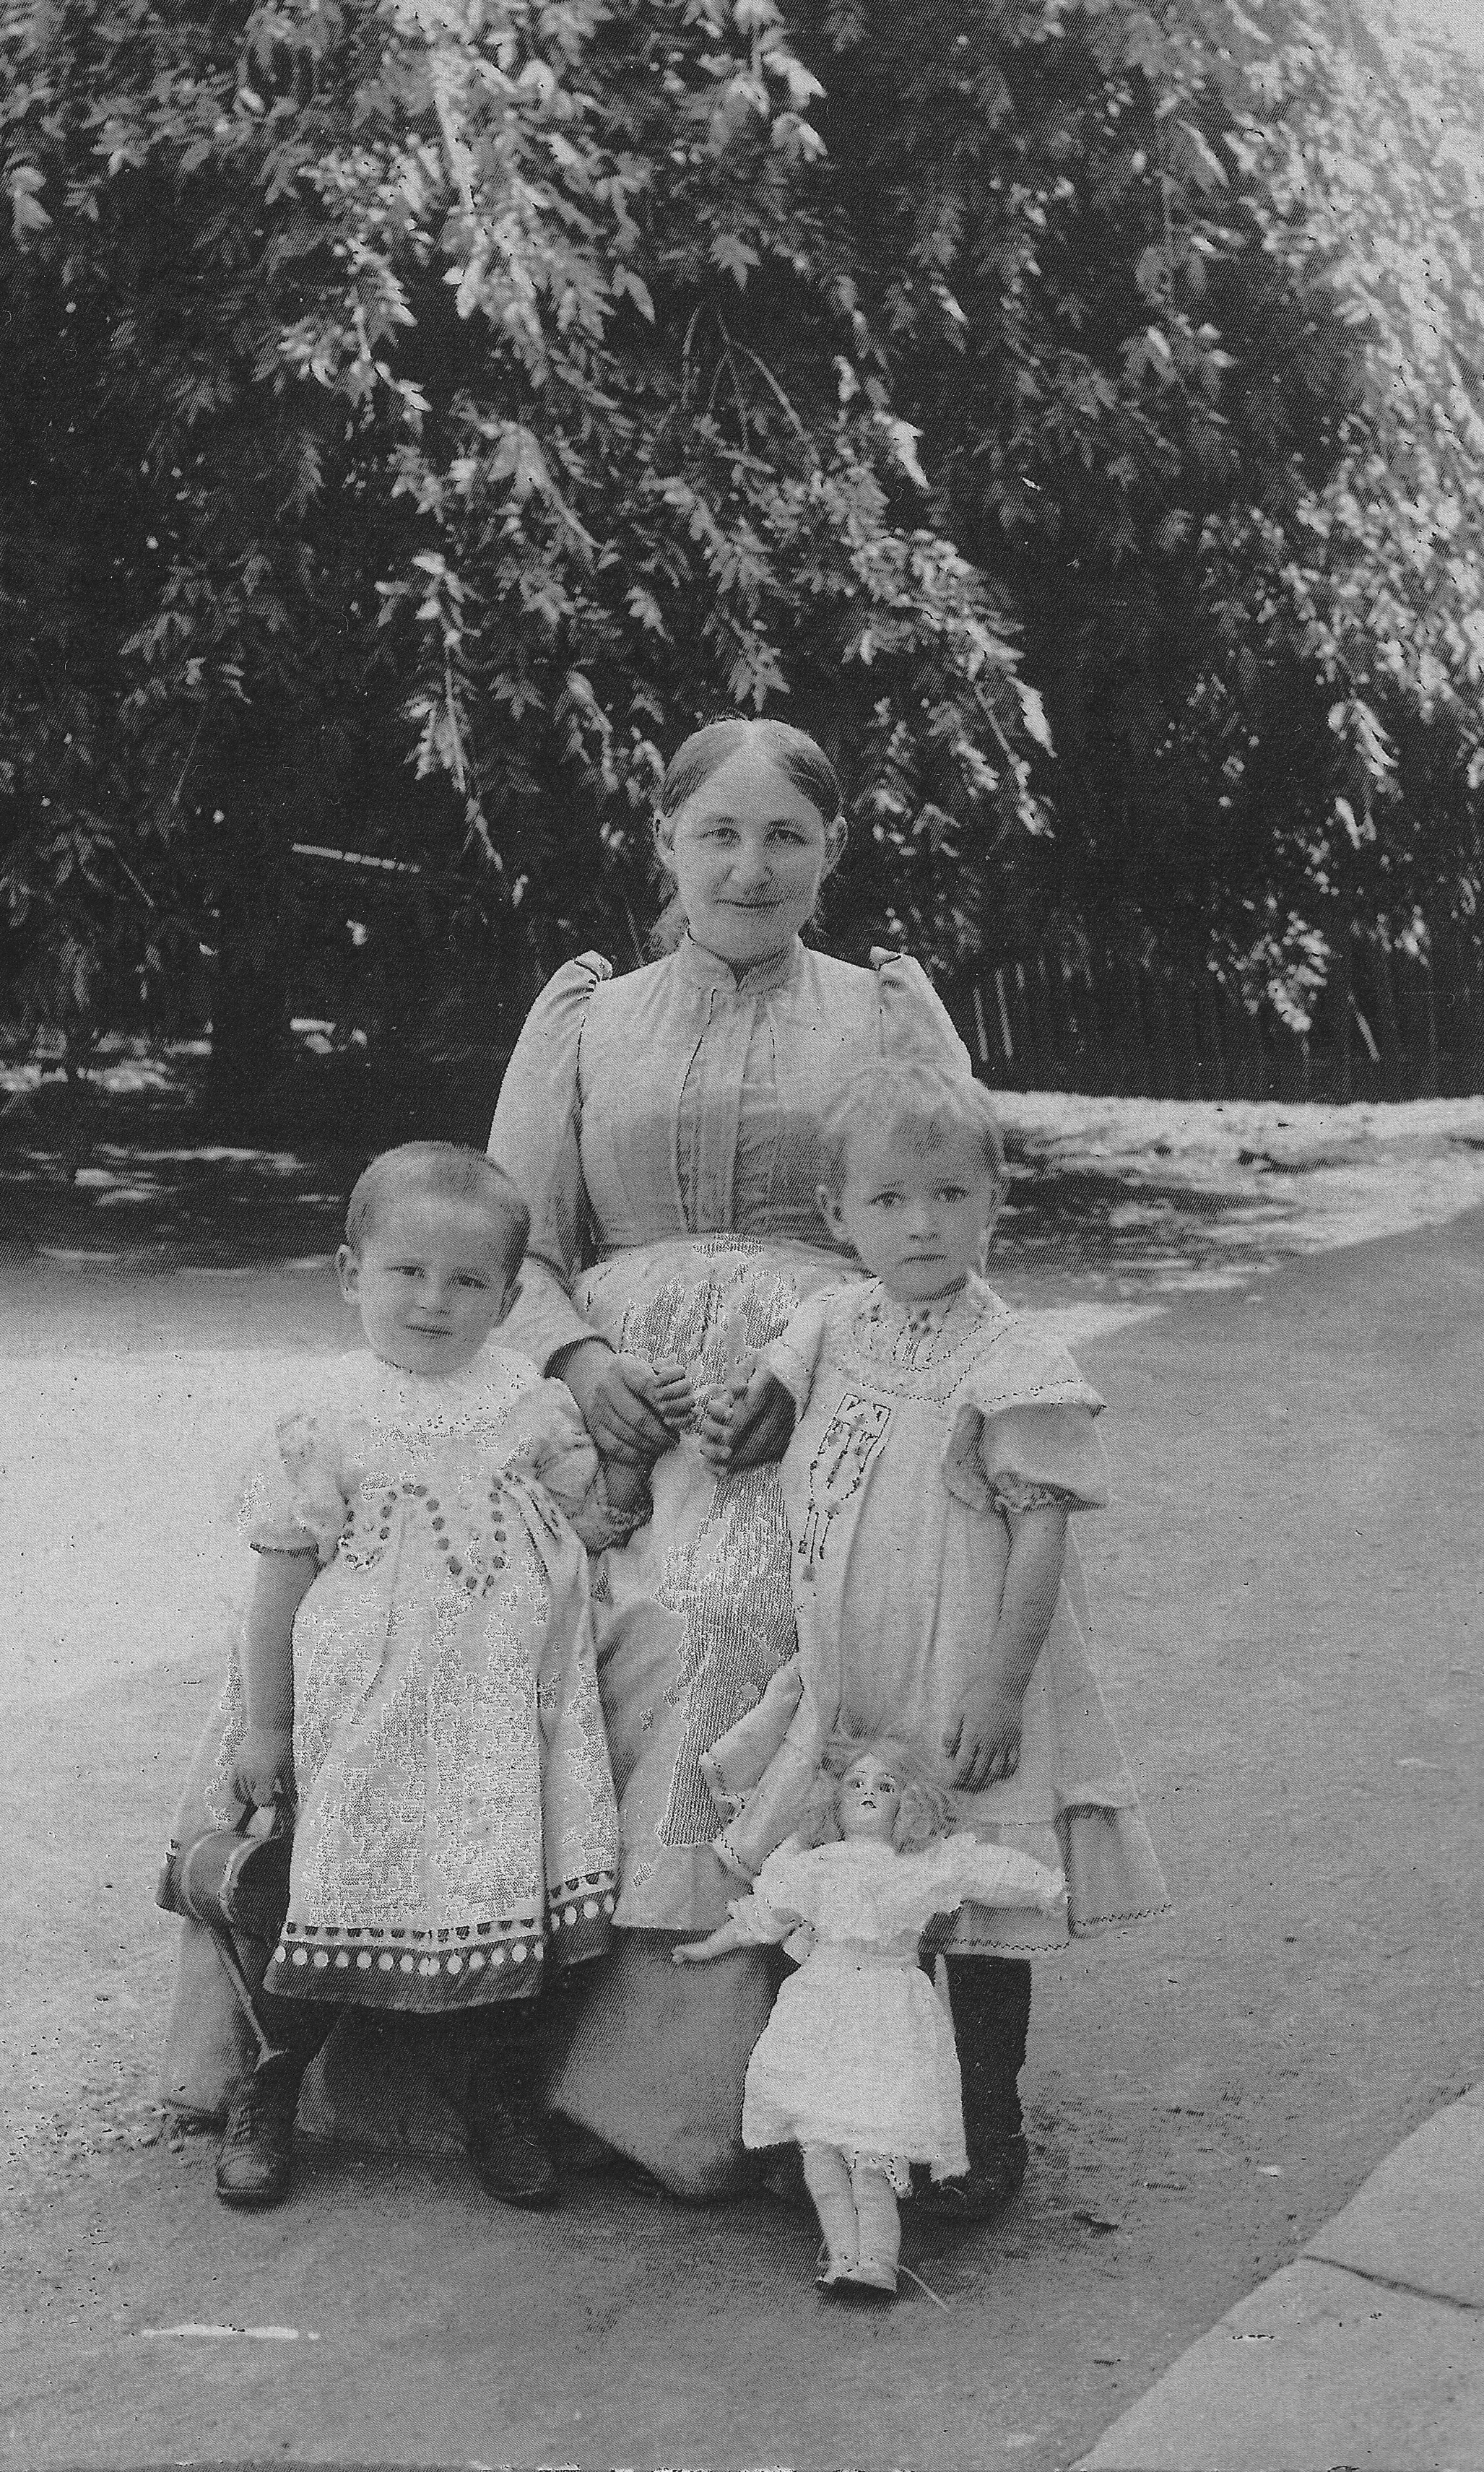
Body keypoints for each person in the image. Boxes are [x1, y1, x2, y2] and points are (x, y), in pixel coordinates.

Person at [486, 714, 974, 2199]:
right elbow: (512, 1243)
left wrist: (811, 1357)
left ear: (833, 850)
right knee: (467, 1600)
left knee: (714, 1616)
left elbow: (939, 1237)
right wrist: (579, 1361)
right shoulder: (590, 1015)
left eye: (784, 836)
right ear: (666, 842)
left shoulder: (883, 1013)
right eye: (718, 833)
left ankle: (676, 2091)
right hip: (597, 1397)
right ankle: (470, 2038)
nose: (750, 867)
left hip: (822, 1404)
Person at [159, 1143, 686, 2211]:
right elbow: (280, 1579)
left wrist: (633, 1458)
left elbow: (586, 1525)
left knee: (497, 1889)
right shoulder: (325, 1418)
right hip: (361, 1716)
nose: (434, 1301)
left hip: (499, 1720)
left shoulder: (530, 1405)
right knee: (320, 1886)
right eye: (407, 1272)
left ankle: (494, 2095)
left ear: (508, 1300)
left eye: (467, 1280)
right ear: (351, 1273)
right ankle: (273, 2080)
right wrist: (270, 1725)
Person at [696, 1059, 1169, 2218]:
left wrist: (1000, 1689)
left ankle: (986, 2126)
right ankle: (845, 2116)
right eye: (890, 1199)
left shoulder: (1013, 1360)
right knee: (853, 1899)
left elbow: (1040, 1539)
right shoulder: (827, 1325)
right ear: (837, 1214)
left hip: (962, 1675)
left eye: (951, 1195)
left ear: (993, 1201)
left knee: (973, 1916)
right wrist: (727, 1419)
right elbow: (764, 1428)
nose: (922, 1224)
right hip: (854, 1677)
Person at [674, 1748, 1067, 2294]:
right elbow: (763, 1918)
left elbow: (984, 1870)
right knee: (819, 2150)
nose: (867, 1791)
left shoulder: (921, 1865)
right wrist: (706, 1947)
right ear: (833, 1802)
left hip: (888, 2009)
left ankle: (878, 2261)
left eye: (885, 1786)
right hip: (821, 2008)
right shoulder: (813, 1866)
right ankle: (842, 2257)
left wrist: (1047, 1887)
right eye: (856, 1782)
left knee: (872, 2152)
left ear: (909, 1806)